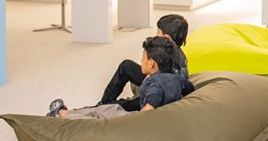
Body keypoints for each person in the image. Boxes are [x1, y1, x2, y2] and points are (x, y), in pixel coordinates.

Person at [48, 36, 184, 119]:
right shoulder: (178, 79)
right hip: (147, 114)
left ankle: (61, 114)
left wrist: (132, 121)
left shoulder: (155, 86)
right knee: (107, 109)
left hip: (131, 121)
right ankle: (67, 112)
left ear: (151, 63)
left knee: (102, 114)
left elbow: (147, 113)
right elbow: (188, 88)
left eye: (143, 58)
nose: (140, 61)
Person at [98, 14, 193, 108]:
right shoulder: (171, 50)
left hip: (159, 91)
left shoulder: (176, 61)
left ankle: (104, 106)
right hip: (156, 78)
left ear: (166, 37)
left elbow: (169, 84)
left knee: (124, 104)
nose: (155, 35)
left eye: (158, 32)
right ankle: (104, 102)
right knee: (126, 66)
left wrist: (150, 79)